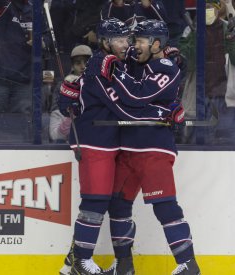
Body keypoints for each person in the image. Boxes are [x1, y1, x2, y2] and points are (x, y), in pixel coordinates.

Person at [58, 18, 172, 275]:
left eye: (127, 39)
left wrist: (164, 56)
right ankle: (80, 262)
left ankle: (70, 263)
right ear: (105, 42)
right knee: (95, 201)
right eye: (119, 40)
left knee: (105, 202)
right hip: (93, 140)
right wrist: (158, 112)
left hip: (108, 141)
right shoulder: (102, 64)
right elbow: (125, 104)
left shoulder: (113, 63)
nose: (126, 44)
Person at [100, 19, 200, 275]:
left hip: (154, 148)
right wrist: (158, 109)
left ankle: (188, 265)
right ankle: (124, 266)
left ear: (157, 44)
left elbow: (136, 96)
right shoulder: (135, 61)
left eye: (141, 40)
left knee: (165, 206)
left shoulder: (166, 67)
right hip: (127, 147)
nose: (135, 45)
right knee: (117, 205)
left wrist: (147, 106)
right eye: (134, 40)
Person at [0, 0, 42, 114]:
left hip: (25, 78)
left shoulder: (34, 10)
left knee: (23, 122)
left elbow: (46, 35)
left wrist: (42, 42)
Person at [199, 0, 235, 145]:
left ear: (219, 8)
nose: (209, 9)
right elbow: (188, 62)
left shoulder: (230, 27)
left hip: (227, 99)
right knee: (202, 151)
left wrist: (232, 37)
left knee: (232, 149)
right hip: (201, 100)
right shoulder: (193, 30)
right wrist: (195, 32)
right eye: (205, 6)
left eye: (212, 5)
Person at [49, 44, 92, 143]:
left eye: (86, 62)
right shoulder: (62, 85)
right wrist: (70, 116)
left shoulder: (102, 84)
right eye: (78, 63)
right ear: (72, 66)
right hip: (69, 138)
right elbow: (55, 135)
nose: (83, 66)